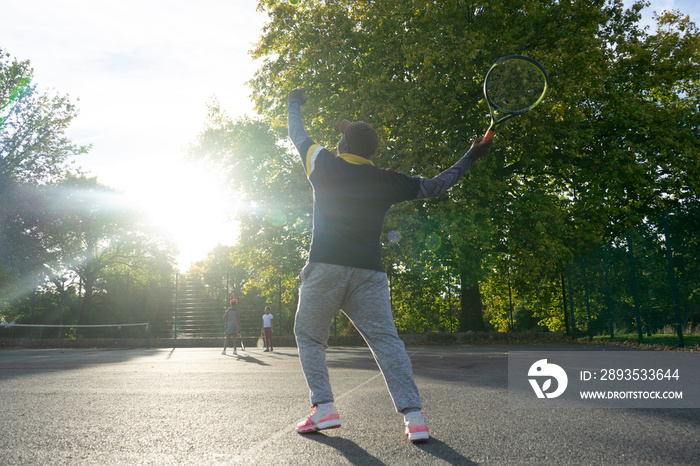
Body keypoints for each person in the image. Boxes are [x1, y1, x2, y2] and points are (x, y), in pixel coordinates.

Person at [287, 88, 493, 442]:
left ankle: (323, 408)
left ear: (344, 147)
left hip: (326, 268)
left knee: (308, 336)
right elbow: (436, 186)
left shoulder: (322, 163)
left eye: (341, 137)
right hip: (369, 272)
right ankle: (415, 419)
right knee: (387, 342)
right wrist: (472, 155)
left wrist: (294, 101)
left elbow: (296, 132)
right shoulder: (387, 179)